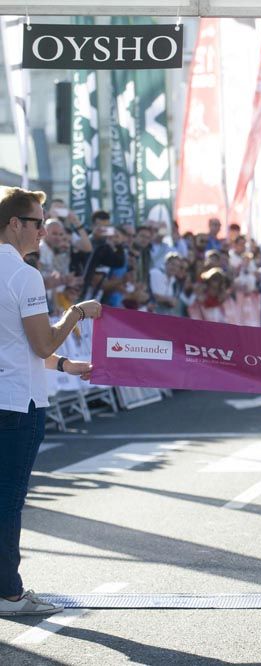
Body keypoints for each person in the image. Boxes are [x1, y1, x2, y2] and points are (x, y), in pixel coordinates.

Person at [0, 187, 101, 617]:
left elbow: (19, 345)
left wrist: (63, 365)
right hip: (17, 403)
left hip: (11, 393)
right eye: (38, 223)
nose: (43, 231)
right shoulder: (23, 275)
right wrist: (76, 312)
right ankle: (8, 594)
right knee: (7, 502)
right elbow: (40, 343)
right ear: (15, 224)